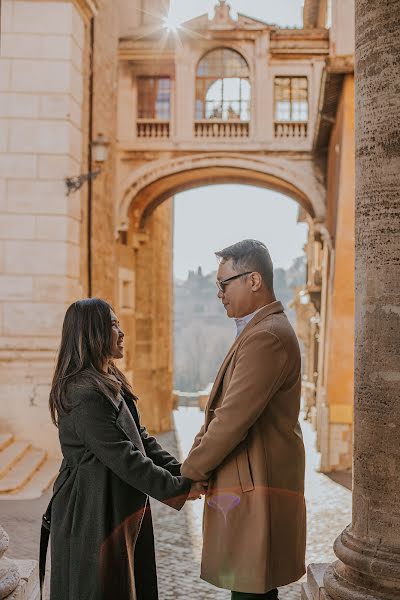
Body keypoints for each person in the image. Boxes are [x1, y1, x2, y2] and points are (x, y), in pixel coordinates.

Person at [43, 298, 206, 600]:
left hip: (116, 504)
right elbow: (123, 457)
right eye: (113, 325)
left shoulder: (110, 378)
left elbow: (141, 441)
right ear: (93, 334)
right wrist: (178, 489)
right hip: (92, 510)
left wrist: (182, 472)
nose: (121, 332)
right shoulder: (83, 392)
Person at [181, 239, 306, 600]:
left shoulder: (266, 335)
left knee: (251, 591)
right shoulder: (258, 330)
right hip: (252, 483)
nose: (219, 294)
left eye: (223, 284)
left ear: (254, 280)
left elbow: (231, 420)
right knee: (251, 589)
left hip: (257, 487)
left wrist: (189, 474)